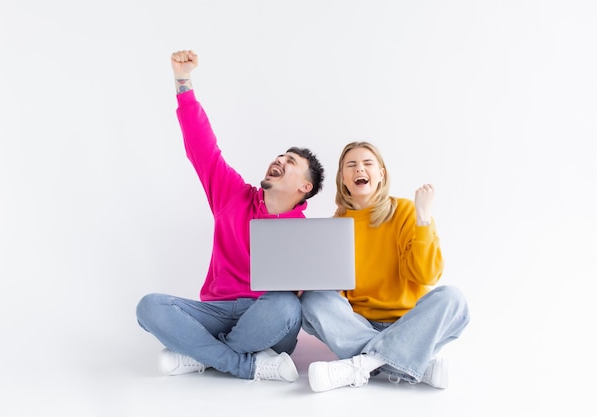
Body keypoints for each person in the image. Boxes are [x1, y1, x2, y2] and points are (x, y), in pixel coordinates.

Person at [136, 50, 325, 382]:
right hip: (216, 310)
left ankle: (201, 355)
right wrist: (183, 82)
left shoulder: (306, 236)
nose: (279, 160)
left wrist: (304, 288)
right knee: (149, 307)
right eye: (280, 155)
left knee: (286, 308)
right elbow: (202, 146)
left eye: (290, 161)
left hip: (265, 317)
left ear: (304, 186)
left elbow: (300, 303)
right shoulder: (232, 194)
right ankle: (244, 364)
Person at [300, 141, 470, 392]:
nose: (360, 169)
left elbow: (427, 275)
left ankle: (362, 365)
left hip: (410, 323)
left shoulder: (406, 211)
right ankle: (413, 364)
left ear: (381, 174)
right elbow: (335, 296)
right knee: (313, 301)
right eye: (351, 165)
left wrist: (423, 218)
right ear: (343, 178)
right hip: (359, 325)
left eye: (368, 163)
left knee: (454, 300)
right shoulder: (334, 226)